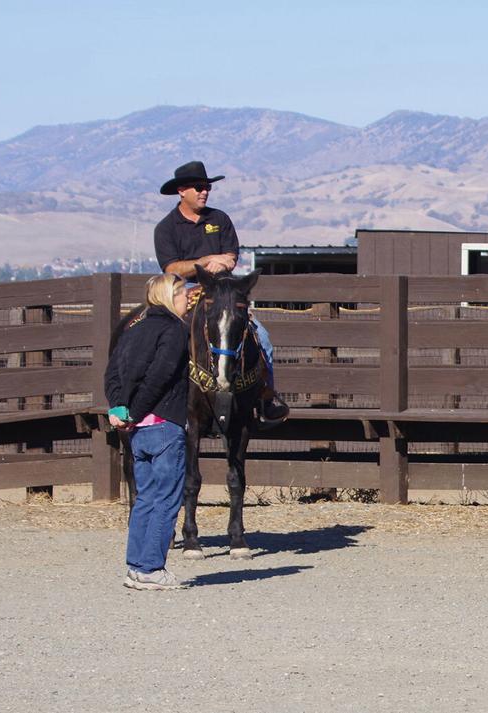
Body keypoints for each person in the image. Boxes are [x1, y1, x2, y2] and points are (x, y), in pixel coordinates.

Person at [154, 160, 289, 426]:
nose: (204, 191)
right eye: (199, 187)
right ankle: (169, 399)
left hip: (224, 295)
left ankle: (266, 396)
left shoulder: (220, 219)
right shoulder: (166, 228)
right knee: (171, 342)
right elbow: (170, 267)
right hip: (187, 295)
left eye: (207, 187)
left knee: (261, 335)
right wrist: (205, 262)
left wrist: (223, 262)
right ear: (182, 190)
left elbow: (231, 256)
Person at [106, 273, 192, 591]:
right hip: (164, 424)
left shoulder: (134, 329)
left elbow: (112, 372)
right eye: (183, 295)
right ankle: (152, 568)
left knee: (145, 498)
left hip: (137, 430)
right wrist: (137, 410)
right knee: (167, 498)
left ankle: (136, 567)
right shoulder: (175, 331)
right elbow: (161, 374)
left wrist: (120, 409)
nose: (187, 300)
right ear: (170, 296)